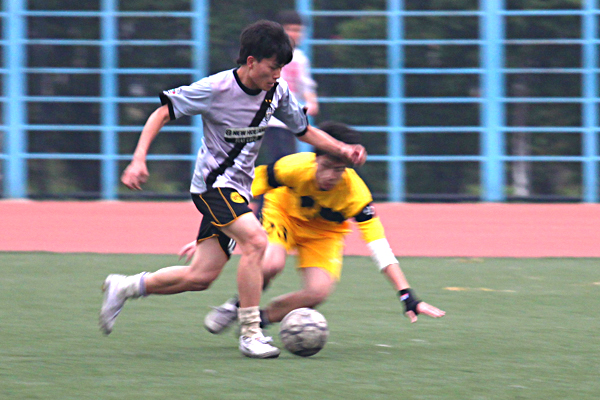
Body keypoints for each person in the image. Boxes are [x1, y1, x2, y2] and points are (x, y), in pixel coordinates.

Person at [98, 21, 366, 359]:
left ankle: (126, 286)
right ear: (251, 61)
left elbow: (304, 130)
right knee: (256, 241)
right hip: (212, 187)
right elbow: (161, 113)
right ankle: (251, 332)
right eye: (273, 67)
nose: (277, 75)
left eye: (281, 68)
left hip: (238, 191)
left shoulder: (277, 91)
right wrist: (138, 159)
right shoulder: (215, 88)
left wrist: (342, 149)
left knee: (200, 277)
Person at [181, 121, 444, 336]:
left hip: (324, 235)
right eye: (326, 167)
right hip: (283, 216)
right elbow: (235, 192)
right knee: (271, 264)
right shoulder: (294, 167)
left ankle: (258, 321)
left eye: (339, 170)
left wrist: (407, 295)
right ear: (315, 159)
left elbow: (379, 247)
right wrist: (214, 232)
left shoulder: (357, 195)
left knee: (318, 292)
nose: (331, 176)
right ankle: (238, 306)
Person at [255, 10, 319, 215]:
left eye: (298, 30)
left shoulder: (300, 59)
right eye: (290, 29)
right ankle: (264, 211)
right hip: (269, 120)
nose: (294, 34)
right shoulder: (268, 56)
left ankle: (269, 210)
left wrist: (311, 101)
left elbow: (305, 84)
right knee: (281, 164)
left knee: (283, 165)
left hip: (288, 121)